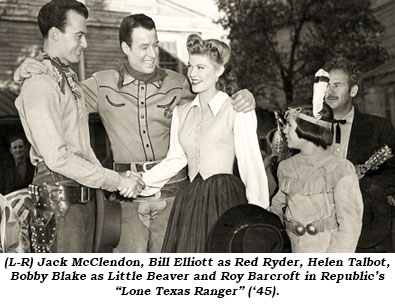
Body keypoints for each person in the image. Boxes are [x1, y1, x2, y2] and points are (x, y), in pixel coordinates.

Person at [15, 13, 256, 253]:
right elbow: (61, 102)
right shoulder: (101, 84)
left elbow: (215, 97)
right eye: (143, 47)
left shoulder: (180, 82)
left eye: (155, 45)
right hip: (126, 200)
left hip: (174, 197)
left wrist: (243, 95)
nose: (152, 54)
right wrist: (28, 72)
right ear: (125, 47)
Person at [14, 0, 143, 253]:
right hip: (56, 199)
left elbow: (82, 148)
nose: (84, 44)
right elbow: (58, 158)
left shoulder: (69, 80)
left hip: (80, 199)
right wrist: (114, 180)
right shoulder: (40, 84)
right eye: (79, 36)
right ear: (54, 34)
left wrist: (115, 179)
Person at [138, 34, 270, 252]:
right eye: (190, 66)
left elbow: (251, 166)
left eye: (200, 67)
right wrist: (140, 183)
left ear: (219, 70)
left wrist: (257, 216)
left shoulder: (236, 109)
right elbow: (175, 160)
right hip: (190, 202)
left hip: (224, 201)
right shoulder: (182, 113)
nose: (192, 74)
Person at [270, 103, 363, 253]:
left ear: (306, 129)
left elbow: (350, 226)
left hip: (326, 249)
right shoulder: (285, 167)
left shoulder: (339, 168)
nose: (284, 131)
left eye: (290, 126)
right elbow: (276, 209)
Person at [324, 57, 395, 252]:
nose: (329, 92)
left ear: (353, 90)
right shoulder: (310, 129)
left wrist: (360, 183)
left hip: (368, 234)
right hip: (322, 237)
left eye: (337, 85)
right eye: (327, 85)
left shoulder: (379, 128)